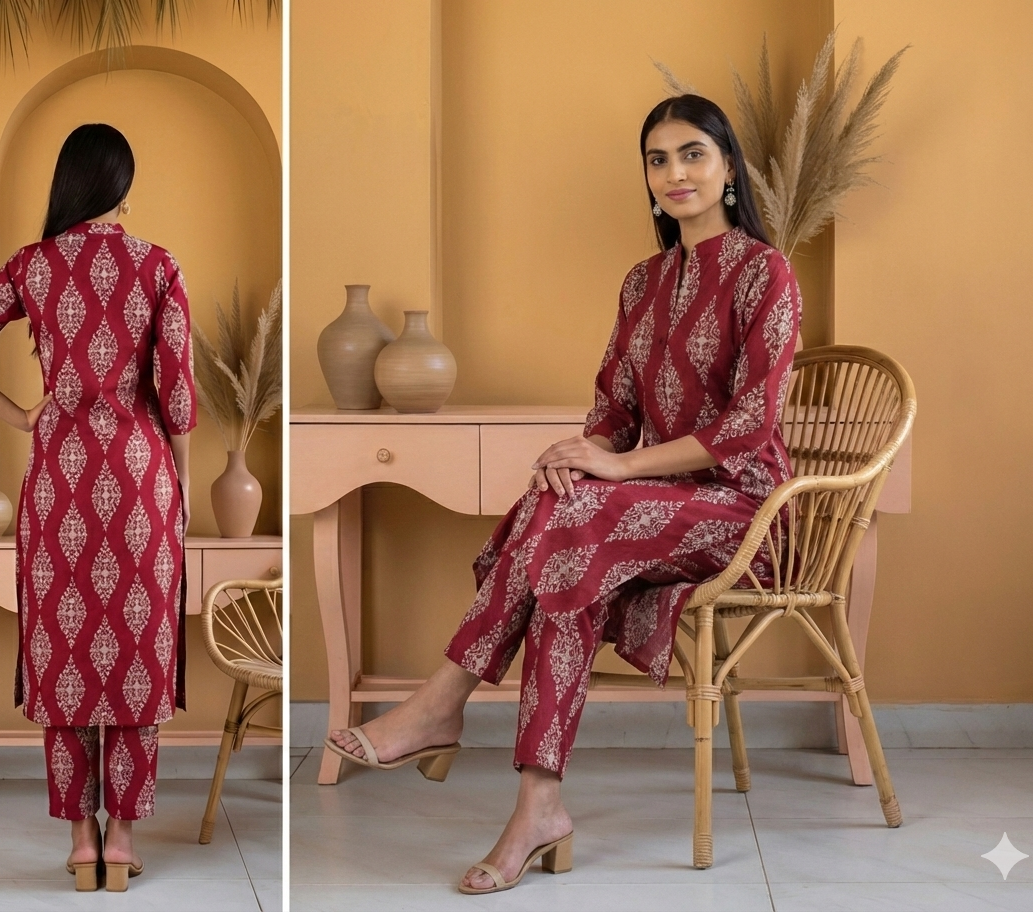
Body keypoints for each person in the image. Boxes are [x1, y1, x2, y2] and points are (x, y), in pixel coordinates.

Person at [326, 93, 803, 894]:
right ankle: (538, 806)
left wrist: (614, 470)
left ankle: (442, 700)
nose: (674, 172)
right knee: (565, 534)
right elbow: (616, 409)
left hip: (742, 512)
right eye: (658, 159)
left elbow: (749, 426)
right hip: (636, 515)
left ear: (727, 170)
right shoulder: (643, 281)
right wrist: (582, 454)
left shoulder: (766, 273)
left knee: (573, 524)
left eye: (692, 154)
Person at [0, 124, 197, 893]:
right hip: (142, 482)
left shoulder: (33, 268)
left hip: (59, 486)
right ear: (122, 184)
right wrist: (177, 491)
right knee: (138, 655)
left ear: (66, 184)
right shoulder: (157, 266)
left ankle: (80, 841)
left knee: (67, 657)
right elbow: (178, 395)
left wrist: (24, 419)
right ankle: (123, 841)